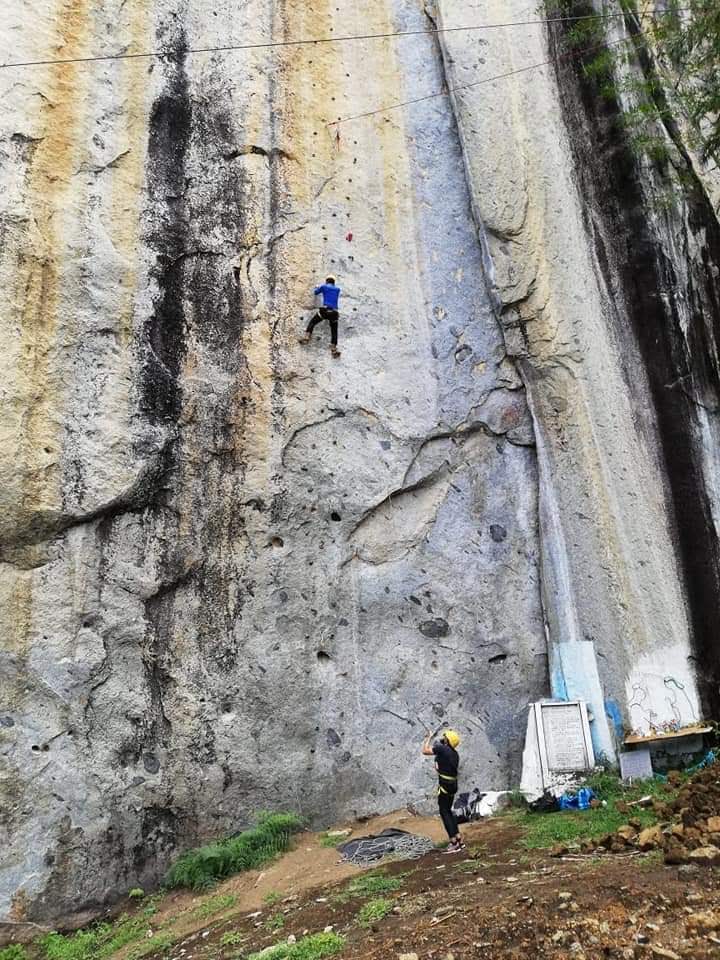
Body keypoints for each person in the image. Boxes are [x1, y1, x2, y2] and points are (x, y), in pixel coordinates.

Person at [422, 728, 465, 853]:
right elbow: (439, 766)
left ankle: (453, 842)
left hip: (445, 786)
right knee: (449, 811)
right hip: (452, 785)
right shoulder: (455, 754)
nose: (443, 738)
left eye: (445, 737)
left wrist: (428, 738)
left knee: (444, 812)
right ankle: (459, 839)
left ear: (448, 740)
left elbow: (425, 751)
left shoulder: (442, 749)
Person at [299, 277, 342, 358]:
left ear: (327, 281)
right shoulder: (337, 289)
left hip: (325, 310)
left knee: (313, 322)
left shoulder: (324, 286)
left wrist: (317, 287)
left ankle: (306, 337)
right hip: (334, 312)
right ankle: (334, 349)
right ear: (334, 282)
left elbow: (316, 292)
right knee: (334, 330)